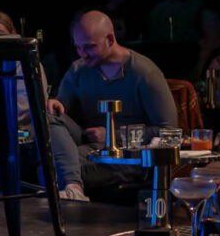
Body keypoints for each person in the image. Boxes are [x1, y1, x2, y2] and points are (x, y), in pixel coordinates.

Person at [47, 11, 177, 195]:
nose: (83, 54)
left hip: (128, 156)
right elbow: (61, 111)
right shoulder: (78, 69)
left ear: (110, 39)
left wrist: (112, 135)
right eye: (78, 48)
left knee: (48, 168)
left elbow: (168, 131)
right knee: (50, 117)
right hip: (90, 146)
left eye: (89, 47)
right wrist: (55, 104)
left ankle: (71, 185)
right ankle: (73, 186)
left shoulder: (144, 73)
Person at [0, 9, 87, 201]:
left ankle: (71, 189)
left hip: (22, 147)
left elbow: (29, 107)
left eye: (0, 36)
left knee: (50, 120)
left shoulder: (27, 65)